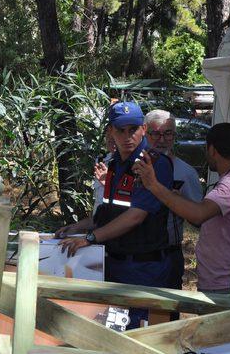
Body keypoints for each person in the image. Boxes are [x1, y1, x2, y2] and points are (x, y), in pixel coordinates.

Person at [56, 101, 174, 329]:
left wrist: (90, 238)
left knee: (140, 336)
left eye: (133, 129)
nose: (128, 136)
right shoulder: (114, 164)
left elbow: (136, 216)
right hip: (114, 265)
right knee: (112, 333)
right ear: (111, 131)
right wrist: (77, 227)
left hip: (143, 268)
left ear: (143, 130)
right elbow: (108, 212)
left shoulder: (154, 164)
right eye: (121, 130)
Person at [133, 122, 230, 293]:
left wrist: (153, 184)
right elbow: (204, 218)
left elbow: (199, 214)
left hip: (225, 285)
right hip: (221, 281)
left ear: (212, 149)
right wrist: (178, 198)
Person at [144, 109, 202, 296]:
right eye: (155, 133)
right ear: (145, 132)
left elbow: (199, 219)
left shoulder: (186, 172)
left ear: (174, 135)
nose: (162, 139)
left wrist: (178, 201)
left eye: (168, 133)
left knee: (167, 314)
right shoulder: (130, 165)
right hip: (129, 253)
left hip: (167, 253)